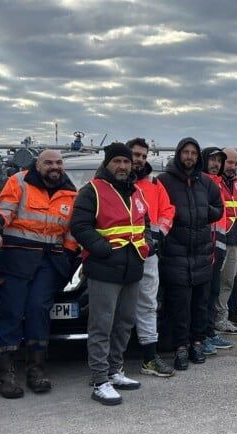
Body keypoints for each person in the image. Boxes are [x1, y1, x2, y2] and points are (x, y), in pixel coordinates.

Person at [0, 149, 79, 397]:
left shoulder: (71, 192)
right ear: (37, 165)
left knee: (39, 309)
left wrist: (69, 257)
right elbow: (4, 210)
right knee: (11, 311)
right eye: (48, 162)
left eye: (59, 162)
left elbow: (71, 230)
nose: (55, 166)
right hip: (16, 257)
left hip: (49, 261)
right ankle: (5, 375)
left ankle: (36, 371)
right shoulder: (19, 181)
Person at [70, 143, 149, 405]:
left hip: (132, 266)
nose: (123, 166)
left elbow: (143, 224)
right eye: (117, 161)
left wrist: (149, 243)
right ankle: (99, 379)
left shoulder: (136, 191)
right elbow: (80, 226)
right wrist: (102, 249)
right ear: (107, 163)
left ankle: (115, 371)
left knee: (125, 322)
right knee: (101, 325)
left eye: (126, 162)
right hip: (104, 268)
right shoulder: (91, 191)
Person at [157, 137, 223, 373]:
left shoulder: (205, 182)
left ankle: (197, 343)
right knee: (179, 305)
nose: (189, 157)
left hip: (202, 253)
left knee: (199, 304)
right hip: (175, 253)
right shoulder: (163, 181)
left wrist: (206, 212)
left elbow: (219, 207)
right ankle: (181, 347)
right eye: (185, 152)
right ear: (178, 154)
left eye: (193, 153)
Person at [126, 137, 175, 377]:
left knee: (148, 305)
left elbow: (168, 210)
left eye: (144, 156)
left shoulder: (154, 184)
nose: (140, 160)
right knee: (117, 309)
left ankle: (149, 357)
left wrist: (159, 236)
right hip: (117, 255)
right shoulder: (105, 184)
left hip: (148, 252)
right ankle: (113, 363)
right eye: (136, 155)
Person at [200, 146, 234, 356]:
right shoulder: (200, 182)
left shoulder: (220, 183)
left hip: (218, 245)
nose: (215, 164)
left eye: (218, 161)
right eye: (212, 160)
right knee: (201, 295)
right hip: (202, 247)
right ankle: (201, 336)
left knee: (213, 291)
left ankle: (209, 332)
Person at [215, 148, 237, 335]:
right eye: (229, 162)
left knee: (228, 281)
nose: (233, 167)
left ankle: (222, 318)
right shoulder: (213, 182)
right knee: (214, 282)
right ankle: (211, 319)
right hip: (218, 239)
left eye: (236, 164)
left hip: (236, 238)